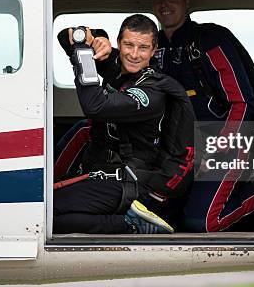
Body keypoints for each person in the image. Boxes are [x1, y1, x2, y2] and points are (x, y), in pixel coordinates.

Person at [150, 0, 254, 233]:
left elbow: (244, 103)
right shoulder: (153, 47)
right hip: (180, 152)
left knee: (202, 224)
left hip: (223, 144)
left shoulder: (210, 39)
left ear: (187, 1)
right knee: (165, 222)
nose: (165, 4)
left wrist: (218, 147)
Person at [53, 14, 195, 234]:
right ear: (119, 43)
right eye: (128, 45)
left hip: (133, 183)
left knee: (46, 217)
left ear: (153, 51)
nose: (135, 54)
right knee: (44, 208)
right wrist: (96, 39)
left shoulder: (152, 90)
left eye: (143, 48)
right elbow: (66, 37)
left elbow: (95, 106)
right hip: (106, 173)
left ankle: (130, 225)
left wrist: (84, 57)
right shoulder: (117, 64)